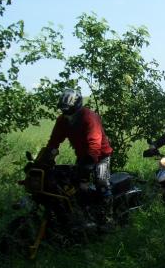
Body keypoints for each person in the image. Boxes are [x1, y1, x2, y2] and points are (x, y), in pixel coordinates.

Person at [37, 88, 114, 224]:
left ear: (77, 106)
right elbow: (54, 141)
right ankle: (82, 215)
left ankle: (107, 218)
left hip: (101, 155)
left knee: (101, 183)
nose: (65, 112)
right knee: (75, 187)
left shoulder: (89, 117)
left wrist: (87, 167)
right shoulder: (62, 120)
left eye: (68, 109)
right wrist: (46, 157)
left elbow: (94, 143)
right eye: (63, 109)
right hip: (83, 155)